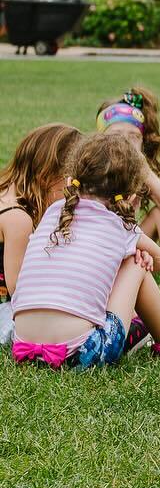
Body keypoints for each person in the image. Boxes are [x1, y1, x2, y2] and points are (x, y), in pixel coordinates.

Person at [11, 132, 160, 369]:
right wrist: (137, 252)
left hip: (23, 344)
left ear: (71, 180)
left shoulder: (54, 212)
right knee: (136, 264)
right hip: (81, 351)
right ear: (131, 195)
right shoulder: (120, 226)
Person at [0, 123, 83, 350]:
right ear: (47, 175)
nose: (74, 192)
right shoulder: (17, 218)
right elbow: (19, 290)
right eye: (71, 181)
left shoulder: (7, 193)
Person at [96, 88, 160, 255]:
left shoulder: (139, 172)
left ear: (143, 143)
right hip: (102, 250)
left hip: (129, 243)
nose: (125, 142)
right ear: (99, 140)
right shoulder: (95, 171)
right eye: (116, 135)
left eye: (134, 136)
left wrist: (144, 169)